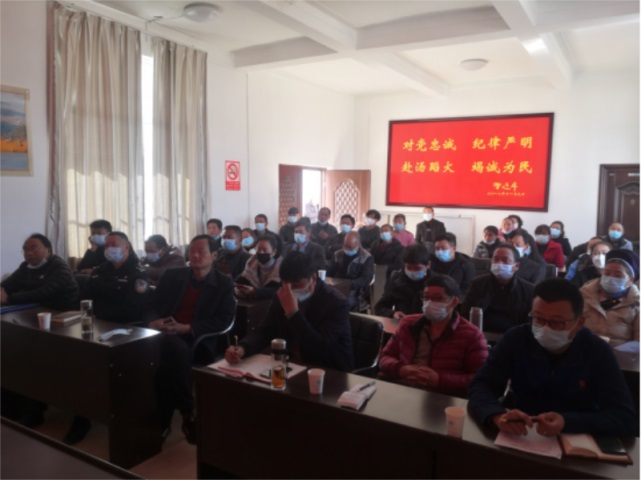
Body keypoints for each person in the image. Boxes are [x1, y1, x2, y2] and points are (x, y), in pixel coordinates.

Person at [468, 278, 638, 438]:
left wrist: (567, 422)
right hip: (522, 432)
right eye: (538, 318)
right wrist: (497, 415)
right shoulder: (517, 338)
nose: (545, 328)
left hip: (576, 439)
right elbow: (481, 384)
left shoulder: (597, 351)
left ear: (579, 323)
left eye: (557, 322)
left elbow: (624, 417)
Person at [145, 234, 235, 443]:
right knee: (164, 356)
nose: (194, 255)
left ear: (214, 255)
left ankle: (165, 419)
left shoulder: (223, 283)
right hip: (162, 331)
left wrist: (187, 328)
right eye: (191, 251)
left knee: (169, 357)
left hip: (197, 338)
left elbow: (224, 320)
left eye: (200, 252)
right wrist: (153, 322)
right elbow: (151, 304)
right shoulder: (172, 275)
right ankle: (187, 412)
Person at [225, 251, 354, 371]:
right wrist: (243, 347)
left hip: (327, 369)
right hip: (290, 365)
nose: (289, 289)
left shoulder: (336, 303)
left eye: (296, 284)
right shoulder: (282, 294)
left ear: (313, 279)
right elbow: (265, 331)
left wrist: (293, 313)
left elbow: (319, 347)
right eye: (285, 282)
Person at [379, 275, 488, 397]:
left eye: (438, 298)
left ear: (454, 302)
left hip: (443, 397)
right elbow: (385, 357)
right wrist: (401, 369)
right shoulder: (408, 324)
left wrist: (440, 380)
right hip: (404, 390)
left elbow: (480, 379)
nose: (430, 303)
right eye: (426, 297)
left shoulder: (472, 335)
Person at [461, 244, 535, 334]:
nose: (499, 264)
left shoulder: (529, 290)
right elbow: (465, 313)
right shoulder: (478, 284)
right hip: (481, 334)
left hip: (514, 337)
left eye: (505, 260)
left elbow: (530, 323)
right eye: (495, 259)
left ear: (516, 266)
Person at [82, 231, 150, 324]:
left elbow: (133, 307)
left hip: (122, 324)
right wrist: (84, 314)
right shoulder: (99, 271)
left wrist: (98, 316)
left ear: (126, 247)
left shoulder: (138, 273)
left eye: (114, 244)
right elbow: (86, 297)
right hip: (94, 320)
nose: (109, 248)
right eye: (106, 246)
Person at [1, 233, 79, 311]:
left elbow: (44, 293)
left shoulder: (60, 266)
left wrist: (9, 298)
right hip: (33, 309)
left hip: (62, 311)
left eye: (34, 248)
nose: (29, 253)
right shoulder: (25, 266)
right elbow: (7, 284)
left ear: (48, 250)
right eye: (25, 250)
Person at [581, 249, 639, 352]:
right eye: (607, 273)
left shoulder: (636, 304)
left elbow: (639, 342)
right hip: (583, 351)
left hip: (620, 356)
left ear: (630, 280)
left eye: (618, 275)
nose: (611, 278)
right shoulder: (584, 294)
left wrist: (610, 352)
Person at [375, 244, 431, 321]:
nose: (412, 271)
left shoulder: (436, 282)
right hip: (402, 323)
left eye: (417, 268)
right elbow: (380, 307)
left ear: (428, 265)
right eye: (409, 267)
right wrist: (392, 313)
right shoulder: (396, 280)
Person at [327, 231, 375, 311]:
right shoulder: (337, 254)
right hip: (336, 286)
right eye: (345, 246)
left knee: (343, 302)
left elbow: (366, 278)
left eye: (350, 247)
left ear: (358, 244)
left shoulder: (366, 257)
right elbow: (329, 272)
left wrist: (349, 285)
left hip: (354, 290)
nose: (347, 249)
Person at [235, 235, 282, 300]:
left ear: (274, 252)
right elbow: (242, 279)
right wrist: (237, 288)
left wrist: (255, 291)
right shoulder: (251, 262)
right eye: (259, 249)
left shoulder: (281, 267)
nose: (261, 252)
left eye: (265, 250)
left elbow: (278, 290)